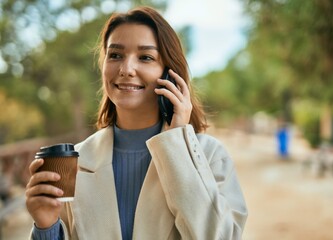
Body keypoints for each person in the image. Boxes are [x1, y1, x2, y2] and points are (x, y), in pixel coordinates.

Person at [25, 6, 247, 240]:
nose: (126, 69)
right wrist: (45, 227)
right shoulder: (74, 162)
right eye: (115, 55)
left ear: (170, 74)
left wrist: (178, 148)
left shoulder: (211, 156)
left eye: (146, 57)